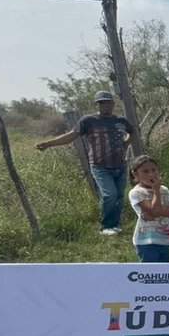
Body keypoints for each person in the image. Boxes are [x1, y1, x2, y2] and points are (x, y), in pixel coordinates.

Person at [36, 90, 139, 235]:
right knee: (110, 194)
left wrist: (126, 143)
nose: (105, 105)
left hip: (120, 164)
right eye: (102, 102)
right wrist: (48, 143)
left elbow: (133, 132)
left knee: (119, 196)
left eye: (108, 102)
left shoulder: (121, 121)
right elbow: (71, 136)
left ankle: (115, 225)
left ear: (113, 104)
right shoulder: (89, 121)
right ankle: (106, 226)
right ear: (97, 104)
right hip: (100, 165)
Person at [127, 155, 169, 263]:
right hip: (146, 240)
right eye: (145, 171)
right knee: (148, 273)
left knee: (164, 273)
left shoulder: (165, 190)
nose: (151, 174)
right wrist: (156, 192)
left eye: (154, 170)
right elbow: (153, 210)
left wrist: (158, 211)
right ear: (135, 174)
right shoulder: (136, 192)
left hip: (165, 239)